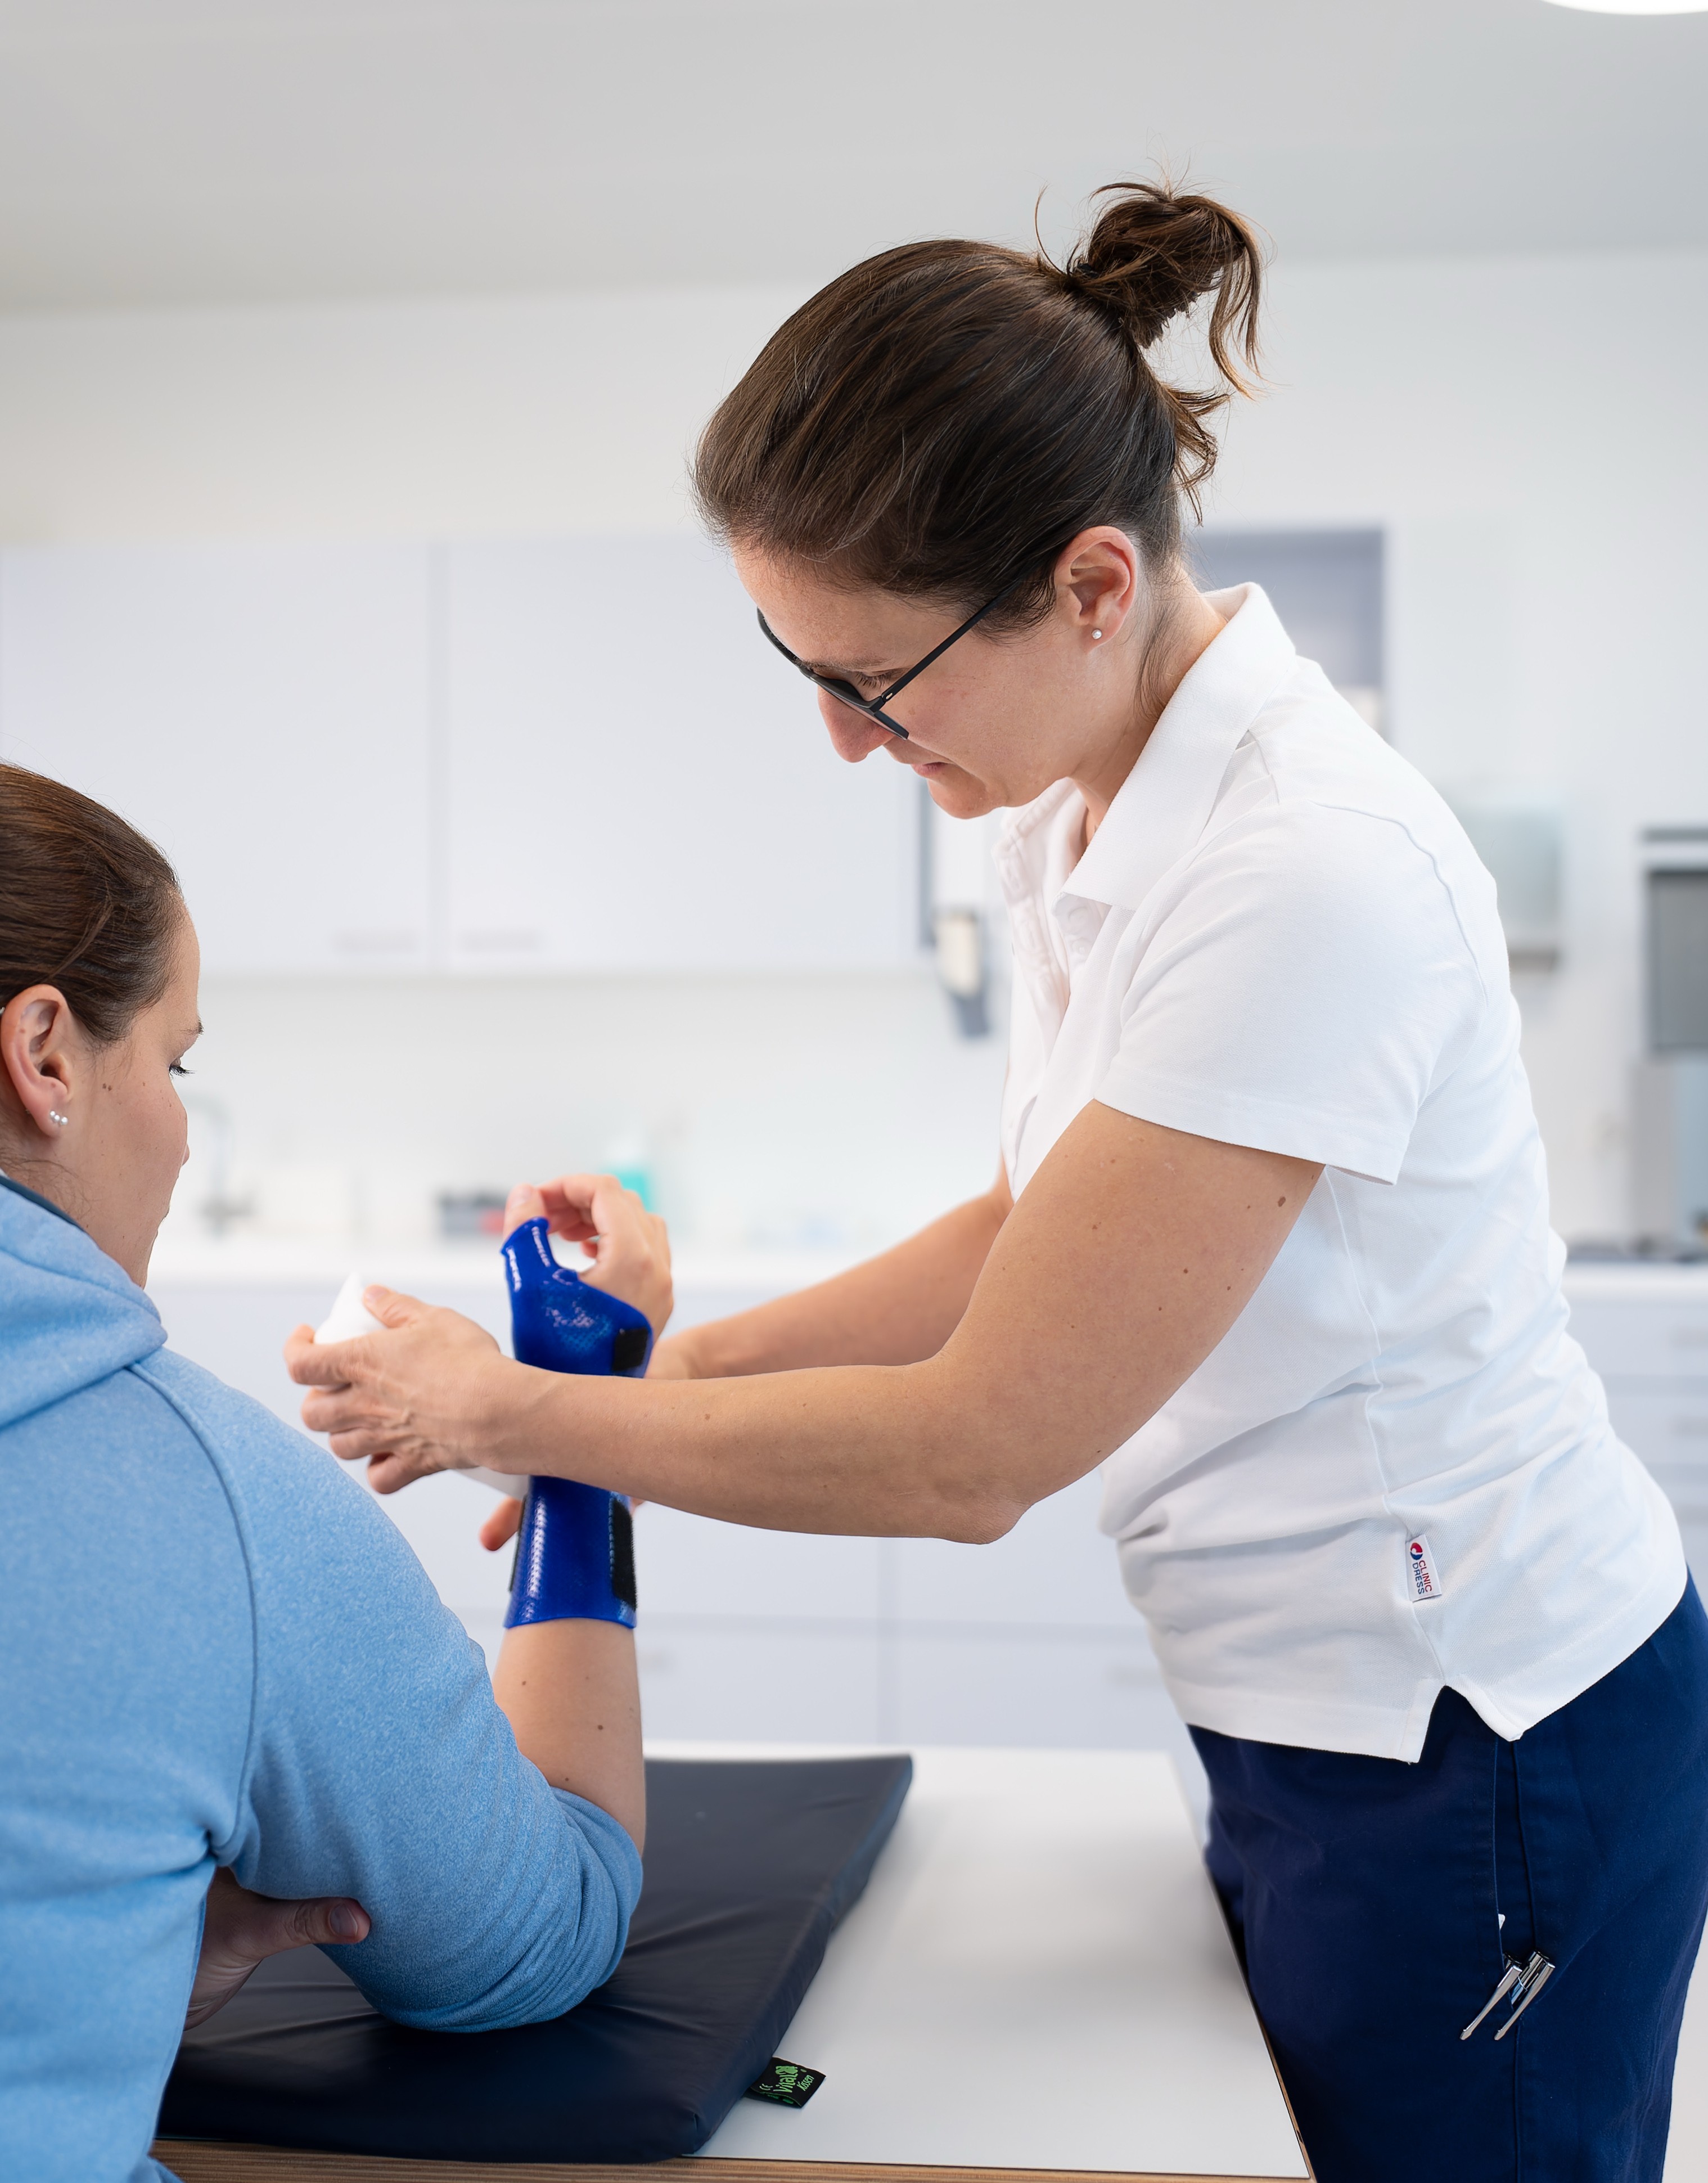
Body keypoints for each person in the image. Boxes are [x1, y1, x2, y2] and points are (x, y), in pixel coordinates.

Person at [289, 179, 1708, 2181]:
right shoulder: (1073, 795)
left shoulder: (1299, 874)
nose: (845, 743)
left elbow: (976, 1452)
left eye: (875, 680)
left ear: (1093, 585)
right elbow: (1020, 1231)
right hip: (1302, 1705)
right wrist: (652, 1380)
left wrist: (511, 1410)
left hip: (1473, 1736)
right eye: (798, 668)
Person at [0, 764, 670, 2183]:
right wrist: (579, 1425)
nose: (182, 1128)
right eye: (176, 1064)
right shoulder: (204, 1498)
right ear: (45, 1057)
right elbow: (542, 1933)